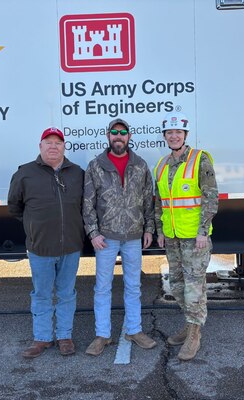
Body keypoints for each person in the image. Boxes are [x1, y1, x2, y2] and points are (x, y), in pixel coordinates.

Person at [83, 118, 157, 356]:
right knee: (102, 288)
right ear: (108, 136)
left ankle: (134, 330)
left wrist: (149, 229)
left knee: (133, 286)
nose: (118, 136)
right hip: (106, 237)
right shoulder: (96, 165)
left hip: (134, 236)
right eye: (114, 132)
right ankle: (102, 335)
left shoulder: (140, 165)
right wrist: (93, 233)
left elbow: (148, 200)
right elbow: (87, 203)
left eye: (122, 132)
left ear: (129, 136)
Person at [8, 127, 84, 358]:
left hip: (70, 246)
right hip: (40, 248)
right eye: (48, 142)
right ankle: (41, 338)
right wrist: (35, 226)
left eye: (58, 142)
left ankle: (64, 337)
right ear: (40, 146)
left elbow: (85, 206)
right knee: (41, 294)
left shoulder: (77, 173)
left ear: (64, 147)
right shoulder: (24, 174)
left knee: (66, 293)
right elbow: (15, 207)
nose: (53, 146)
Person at [154, 112, 218, 361]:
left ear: (185, 135)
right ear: (165, 137)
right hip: (172, 237)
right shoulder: (161, 165)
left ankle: (194, 335)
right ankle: (189, 324)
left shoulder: (200, 160)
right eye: (169, 133)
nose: (174, 136)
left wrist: (203, 231)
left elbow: (211, 197)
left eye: (178, 132)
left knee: (194, 288)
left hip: (195, 237)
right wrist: (161, 232)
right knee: (178, 285)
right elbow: (159, 202)